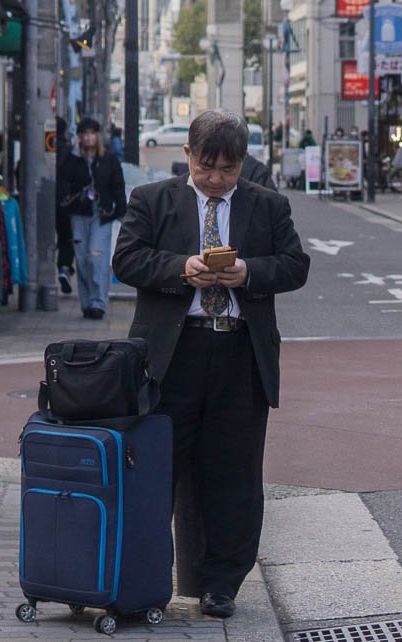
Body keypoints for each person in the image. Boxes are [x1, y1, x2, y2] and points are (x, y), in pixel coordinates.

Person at [112, 109, 310, 619]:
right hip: (172, 357)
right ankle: (146, 576)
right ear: (188, 157)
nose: (217, 179)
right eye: (207, 167)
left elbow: (295, 265)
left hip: (240, 354)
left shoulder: (267, 206)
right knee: (158, 470)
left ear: (243, 163)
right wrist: (181, 269)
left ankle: (221, 583)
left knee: (233, 474)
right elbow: (126, 259)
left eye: (228, 168)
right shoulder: (152, 200)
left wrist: (249, 272)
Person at [62, 117, 126, 319]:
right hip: (78, 214)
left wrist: (119, 211)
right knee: (81, 259)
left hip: (101, 215)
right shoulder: (73, 159)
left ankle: (99, 302)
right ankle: (87, 302)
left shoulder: (109, 159)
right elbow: (64, 182)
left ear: (98, 136)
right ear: (79, 137)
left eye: (92, 133)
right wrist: (74, 155)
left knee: (96, 258)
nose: (88, 138)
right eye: (84, 134)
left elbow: (118, 187)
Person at [55, 117, 76, 293]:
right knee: (66, 239)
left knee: (41, 239)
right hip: (66, 202)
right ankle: (64, 268)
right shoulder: (69, 152)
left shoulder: (39, 148)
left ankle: (37, 276)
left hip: (41, 201)